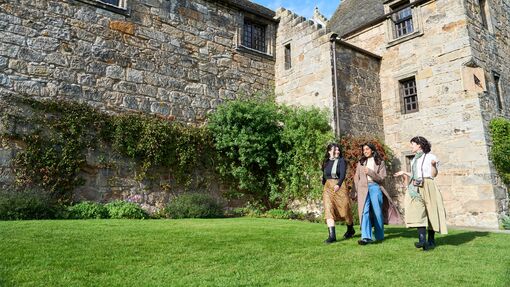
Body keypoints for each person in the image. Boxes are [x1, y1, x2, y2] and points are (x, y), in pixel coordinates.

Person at [394, 136, 448, 251]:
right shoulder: (414, 160)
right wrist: (404, 173)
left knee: (431, 212)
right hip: (416, 186)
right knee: (418, 212)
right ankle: (422, 240)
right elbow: (415, 175)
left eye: (412, 144)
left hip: (428, 185)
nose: (411, 146)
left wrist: (433, 166)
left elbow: (433, 175)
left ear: (419, 145)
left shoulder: (431, 157)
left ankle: (431, 241)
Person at [354, 143, 402, 245]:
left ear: (372, 150)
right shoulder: (361, 162)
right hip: (363, 188)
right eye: (364, 150)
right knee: (364, 212)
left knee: (377, 212)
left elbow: (381, 178)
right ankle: (366, 237)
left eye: (367, 149)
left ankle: (379, 236)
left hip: (375, 187)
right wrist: (358, 188)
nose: (365, 151)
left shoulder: (380, 162)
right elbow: (356, 176)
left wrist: (370, 172)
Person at [322, 143, 355, 244]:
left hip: (339, 187)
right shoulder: (325, 162)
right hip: (328, 188)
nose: (337, 152)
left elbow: (343, 174)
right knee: (328, 208)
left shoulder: (341, 161)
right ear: (329, 151)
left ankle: (350, 229)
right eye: (334, 150)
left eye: (338, 150)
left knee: (345, 209)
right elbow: (324, 175)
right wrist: (324, 182)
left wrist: (339, 184)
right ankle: (332, 236)